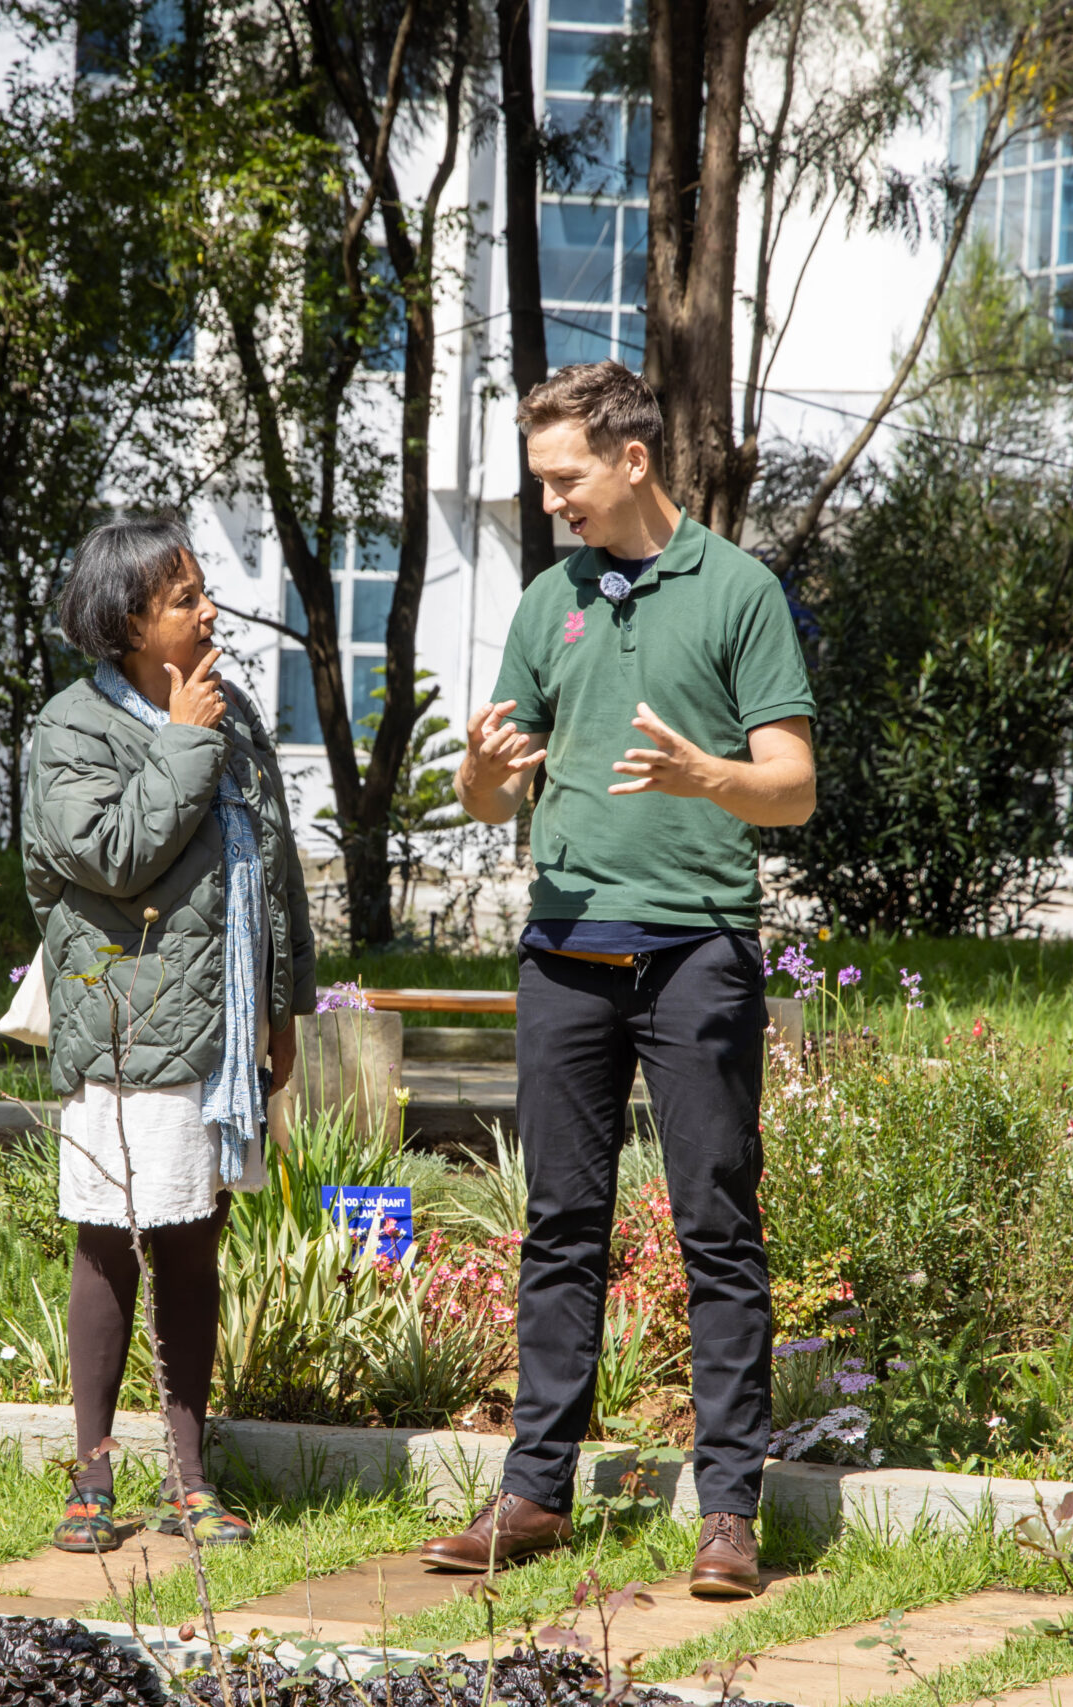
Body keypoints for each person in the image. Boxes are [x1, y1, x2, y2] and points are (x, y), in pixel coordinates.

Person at [424, 362, 816, 1599]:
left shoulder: (740, 591)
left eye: (565, 479)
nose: (552, 505)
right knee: (559, 1225)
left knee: (716, 1228)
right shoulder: (553, 600)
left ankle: (728, 1517)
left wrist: (710, 778)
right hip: (565, 952)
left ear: (632, 460)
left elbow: (792, 786)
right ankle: (534, 1495)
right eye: (543, 482)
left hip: (697, 949)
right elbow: (490, 792)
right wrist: (482, 776)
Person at [24, 516, 317, 1555]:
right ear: (128, 620)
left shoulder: (229, 714)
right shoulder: (72, 729)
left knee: (195, 1246)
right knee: (110, 1244)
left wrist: (282, 1013)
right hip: (122, 1026)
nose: (208, 611)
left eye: (201, 591)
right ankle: (92, 1478)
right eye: (184, 596)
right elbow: (107, 855)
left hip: (221, 1032)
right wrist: (184, 741)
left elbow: (274, 876)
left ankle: (191, 1478)